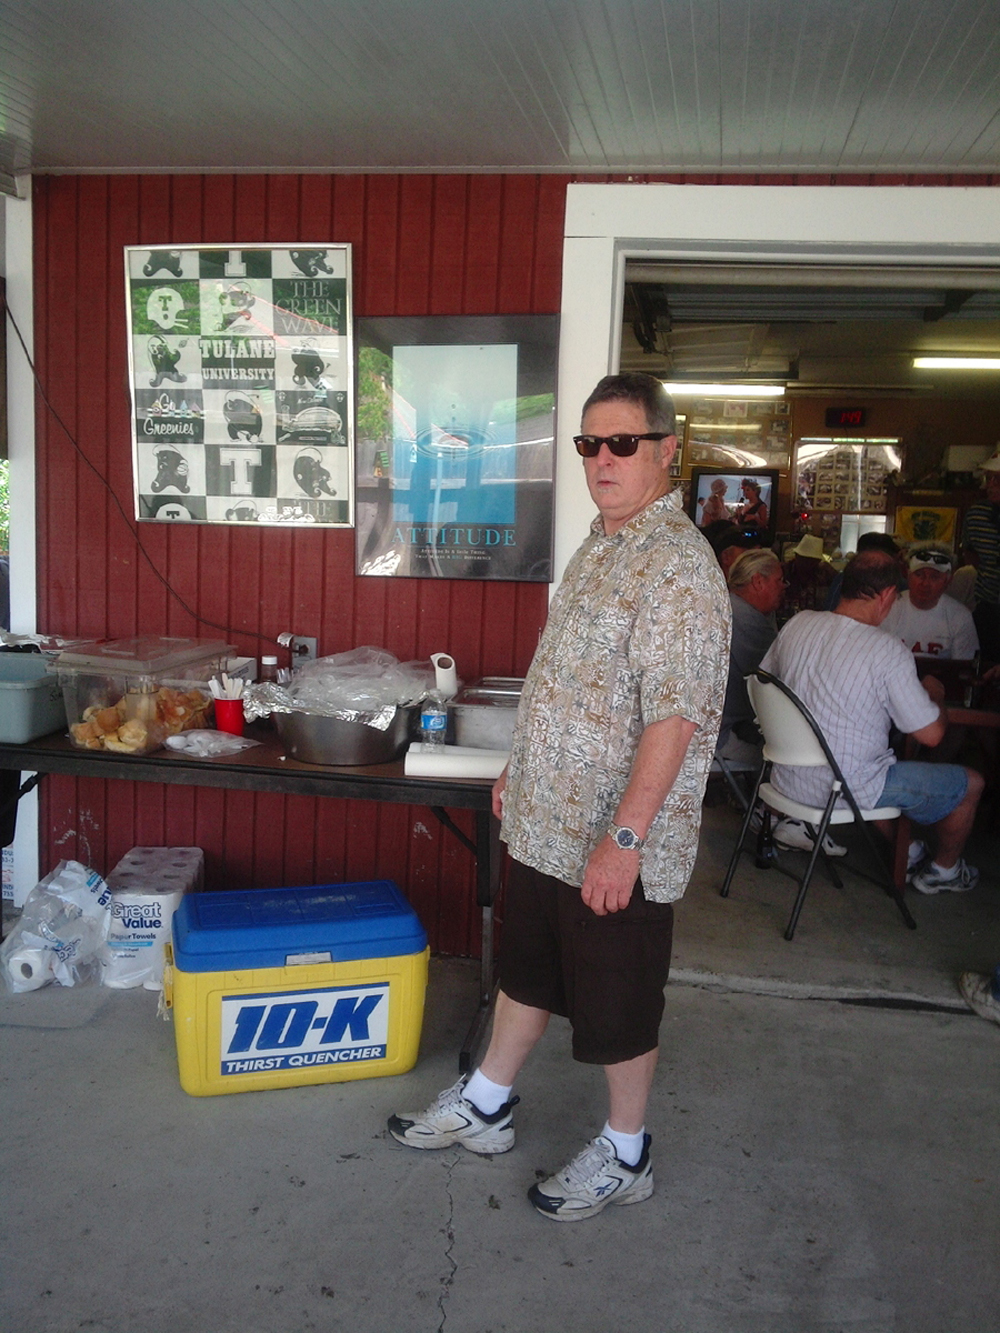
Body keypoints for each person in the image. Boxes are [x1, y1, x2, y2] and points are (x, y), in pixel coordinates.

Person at [388, 373, 731, 1221]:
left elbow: (677, 716)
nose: (603, 459)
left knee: (618, 1004)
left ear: (666, 450)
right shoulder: (599, 543)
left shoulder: (677, 566)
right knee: (529, 973)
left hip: (612, 841)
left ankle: (627, 1150)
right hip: (549, 822)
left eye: (623, 442)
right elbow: (562, 677)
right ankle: (487, 1103)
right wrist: (523, 765)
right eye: (589, 443)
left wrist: (627, 837)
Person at [760, 549, 984, 894]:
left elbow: (762, 683)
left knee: (872, 758)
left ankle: (909, 852)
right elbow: (931, 735)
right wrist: (935, 695)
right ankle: (945, 870)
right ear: (888, 595)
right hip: (846, 788)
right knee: (972, 783)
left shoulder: (797, 623)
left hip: (786, 779)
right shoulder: (887, 650)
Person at [715, 548, 846, 856]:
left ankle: (771, 811)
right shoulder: (744, 619)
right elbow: (783, 680)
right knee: (810, 750)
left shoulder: (728, 607)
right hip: (720, 735)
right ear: (758, 582)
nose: (783, 587)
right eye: (779, 580)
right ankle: (788, 819)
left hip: (716, 724)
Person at [881, 544, 979, 660]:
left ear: (948, 580)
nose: (925, 583)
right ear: (908, 575)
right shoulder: (887, 607)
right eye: (919, 575)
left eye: (934, 577)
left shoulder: (960, 617)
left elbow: (964, 666)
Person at [961, 451, 1000, 660]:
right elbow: (970, 553)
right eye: (988, 478)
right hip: (988, 605)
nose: (990, 485)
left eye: (998, 479)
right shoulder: (977, 514)